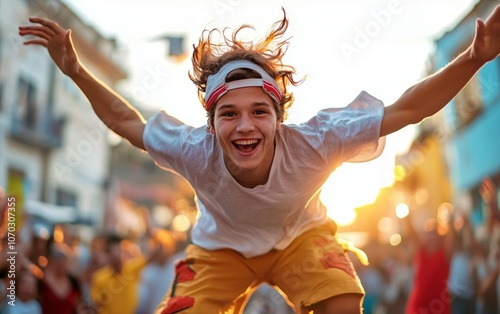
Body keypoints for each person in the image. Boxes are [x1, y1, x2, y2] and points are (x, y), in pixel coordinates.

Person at [19, 6, 500, 314]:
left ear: (278, 118)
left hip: (300, 241)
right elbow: (126, 122)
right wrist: (77, 71)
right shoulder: (192, 150)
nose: (245, 127)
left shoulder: (317, 140)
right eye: (228, 114)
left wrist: (474, 58)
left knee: (344, 302)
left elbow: (408, 109)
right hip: (220, 251)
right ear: (211, 124)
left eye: (258, 113)